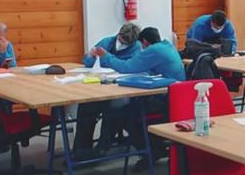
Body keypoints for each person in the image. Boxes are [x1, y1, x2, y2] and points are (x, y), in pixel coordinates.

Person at [75, 27, 184, 158]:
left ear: (143, 42)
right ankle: (147, 147)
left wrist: (106, 56)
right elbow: (143, 68)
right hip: (172, 96)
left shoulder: (152, 51)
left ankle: (103, 149)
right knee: (106, 107)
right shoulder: (167, 47)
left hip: (162, 98)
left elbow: (127, 67)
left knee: (116, 111)